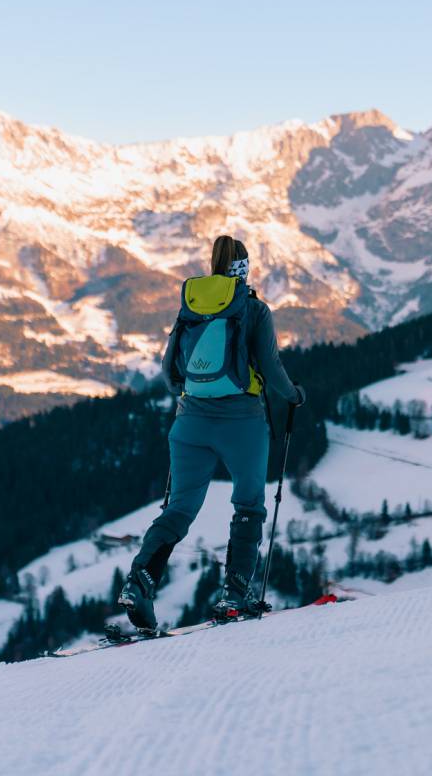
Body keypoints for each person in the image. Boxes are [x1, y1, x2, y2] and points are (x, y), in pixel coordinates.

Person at [117, 235, 305, 630]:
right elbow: (270, 368)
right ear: (243, 269)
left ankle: (139, 584)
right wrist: (294, 395)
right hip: (243, 424)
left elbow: (171, 372)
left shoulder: (191, 308)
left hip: (190, 424)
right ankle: (234, 595)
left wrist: (194, 401)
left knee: (179, 509)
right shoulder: (254, 309)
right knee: (249, 506)